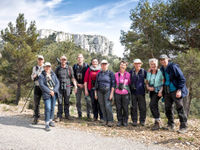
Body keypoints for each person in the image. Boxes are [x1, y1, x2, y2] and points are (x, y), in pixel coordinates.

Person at [159, 54, 188, 133]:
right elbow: (163, 80)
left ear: (168, 59)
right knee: (168, 108)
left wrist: (179, 90)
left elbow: (182, 79)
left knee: (179, 107)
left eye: (164, 59)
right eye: (161, 60)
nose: (163, 61)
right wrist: (161, 90)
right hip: (167, 91)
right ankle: (170, 125)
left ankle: (184, 126)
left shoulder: (173, 67)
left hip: (175, 90)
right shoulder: (162, 68)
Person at [55, 55, 77, 121]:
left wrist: (75, 86)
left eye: (64, 60)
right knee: (60, 101)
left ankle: (67, 115)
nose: (63, 61)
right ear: (60, 60)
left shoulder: (69, 68)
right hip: (59, 87)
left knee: (67, 101)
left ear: (66, 60)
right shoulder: (58, 68)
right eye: (62, 59)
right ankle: (59, 116)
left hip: (68, 87)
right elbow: (55, 78)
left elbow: (72, 78)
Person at [38, 62, 59, 131]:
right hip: (47, 94)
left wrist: (54, 91)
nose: (47, 68)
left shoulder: (53, 74)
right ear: (44, 67)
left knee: (52, 107)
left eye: (49, 66)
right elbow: (41, 85)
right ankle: (46, 123)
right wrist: (49, 91)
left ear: (50, 67)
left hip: (54, 94)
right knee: (48, 107)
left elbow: (57, 83)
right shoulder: (41, 75)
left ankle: (50, 120)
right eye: (46, 66)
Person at [95, 60, 115, 127]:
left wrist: (111, 93)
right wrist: (95, 93)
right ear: (101, 65)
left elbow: (113, 84)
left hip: (108, 91)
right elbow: (96, 84)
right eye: (102, 64)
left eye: (105, 64)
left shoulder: (110, 73)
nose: (104, 65)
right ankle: (105, 120)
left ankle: (110, 120)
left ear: (107, 65)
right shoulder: (99, 73)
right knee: (102, 106)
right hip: (100, 91)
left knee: (107, 106)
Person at [146, 58, 164, 130]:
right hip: (151, 91)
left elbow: (163, 82)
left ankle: (157, 122)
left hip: (158, 91)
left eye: (154, 64)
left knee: (152, 104)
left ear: (157, 64)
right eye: (151, 64)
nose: (153, 65)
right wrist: (148, 87)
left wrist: (161, 91)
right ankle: (158, 122)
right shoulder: (149, 72)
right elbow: (147, 81)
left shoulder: (160, 72)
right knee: (154, 105)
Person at [129, 59, 147, 126]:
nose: (137, 65)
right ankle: (134, 121)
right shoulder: (131, 72)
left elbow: (148, 79)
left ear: (141, 64)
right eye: (136, 63)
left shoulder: (143, 71)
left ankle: (142, 121)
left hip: (141, 92)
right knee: (133, 107)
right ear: (134, 64)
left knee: (142, 107)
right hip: (133, 92)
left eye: (139, 63)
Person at [73, 54, 91, 119]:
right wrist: (76, 85)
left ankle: (88, 114)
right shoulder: (75, 66)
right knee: (78, 101)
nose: (79, 59)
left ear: (83, 58)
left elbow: (89, 76)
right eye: (78, 57)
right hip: (78, 85)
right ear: (77, 59)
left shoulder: (86, 66)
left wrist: (84, 84)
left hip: (85, 85)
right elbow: (73, 77)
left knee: (88, 100)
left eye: (81, 57)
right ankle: (79, 114)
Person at [114, 60, 131, 127]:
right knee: (118, 108)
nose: (122, 66)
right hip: (117, 93)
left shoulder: (128, 74)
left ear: (126, 66)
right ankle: (119, 121)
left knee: (125, 108)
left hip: (125, 93)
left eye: (124, 65)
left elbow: (129, 83)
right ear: (119, 66)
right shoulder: (115, 74)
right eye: (121, 65)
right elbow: (114, 83)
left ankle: (125, 121)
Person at [31, 55, 44, 124]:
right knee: (36, 103)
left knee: (46, 102)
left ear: (43, 60)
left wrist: (38, 75)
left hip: (44, 87)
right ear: (37, 60)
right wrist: (34, 76)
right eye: (39, 59)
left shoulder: (45, 67)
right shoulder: (34, 68)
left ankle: (47, 118)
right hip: (37, 86)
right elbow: (32, 76)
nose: (40, 60)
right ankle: (36, 117)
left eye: (41, 59)